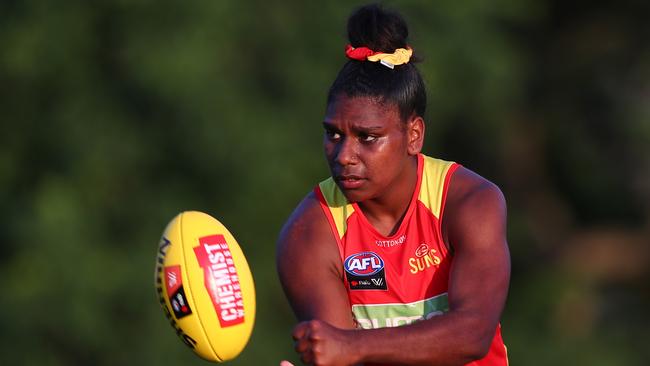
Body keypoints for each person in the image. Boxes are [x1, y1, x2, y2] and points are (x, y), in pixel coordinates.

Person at [276, 4, 510, 365]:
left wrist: (352, 346)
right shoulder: (309, 232)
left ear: (414, 135)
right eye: (333, 134)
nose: (343, 155)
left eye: (367, 137)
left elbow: (473, 333)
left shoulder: (469, 201)